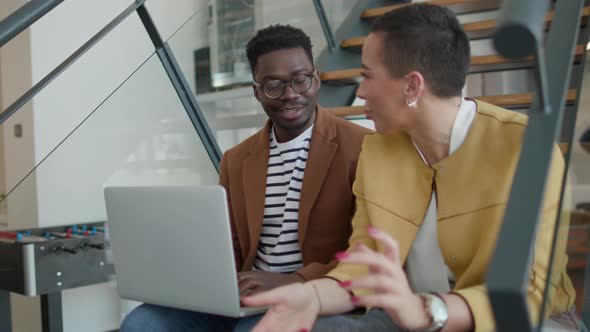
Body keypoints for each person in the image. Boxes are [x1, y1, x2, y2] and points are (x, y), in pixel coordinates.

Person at [241, 4, 576, 332]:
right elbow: (363, 264)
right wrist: (310, 295)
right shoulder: (376, 152)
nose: (360, 91)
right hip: (406, 317)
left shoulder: (525, 146)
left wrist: (428, 310)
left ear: (412, 86)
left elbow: (531, 291)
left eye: (368, 76)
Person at [120, 24, 372, 331]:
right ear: (256, 91)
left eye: (300, 80)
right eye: (273, 85)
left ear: (316, 79)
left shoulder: (363, 148)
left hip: (317, 292)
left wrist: (291, 280)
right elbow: (229, 248)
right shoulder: (236, 160)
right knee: (143, 323)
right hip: (250, 294)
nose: (290, 94)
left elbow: (368, 253)